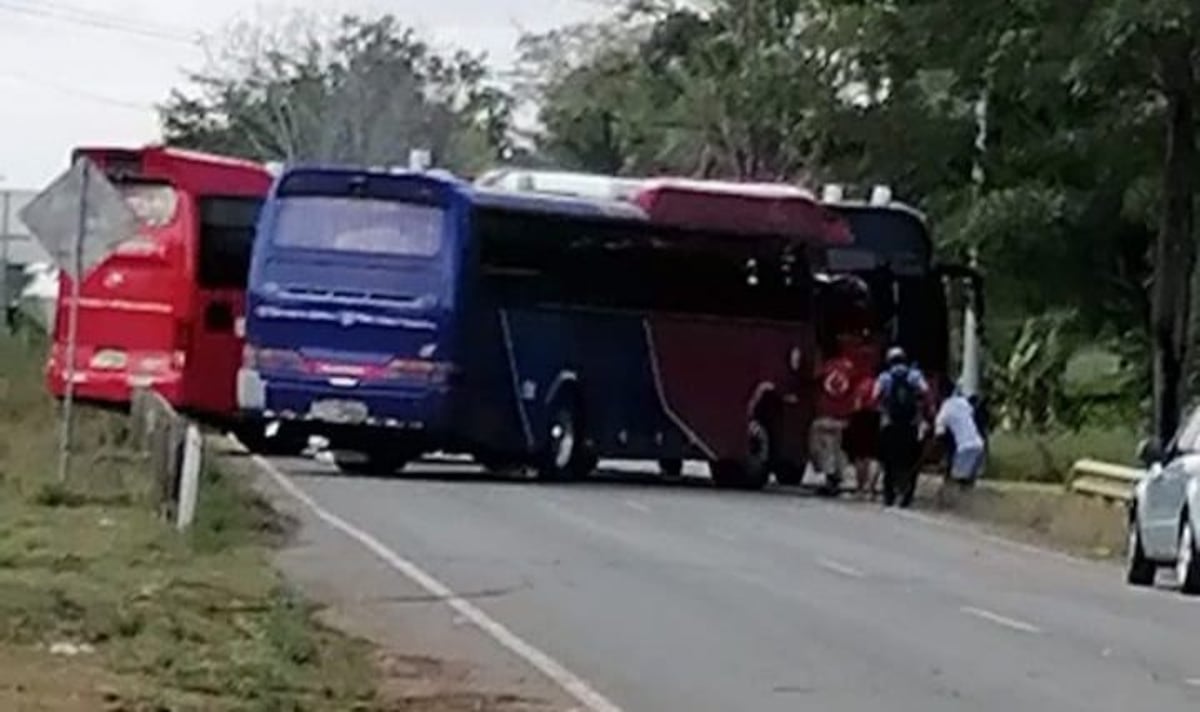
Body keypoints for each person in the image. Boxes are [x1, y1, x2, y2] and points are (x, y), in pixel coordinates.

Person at [873, 346, 929, 508]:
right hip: (911, 425)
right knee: (911, 460)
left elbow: (874, 396)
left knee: (888, 461)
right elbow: (926, 393)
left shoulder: (885, 377)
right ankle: (907, 495)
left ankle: (888, 496)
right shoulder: (915, 375)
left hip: (890, 425)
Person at [936, 385, 986, 488]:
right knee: (966, 481)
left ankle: (953, 495)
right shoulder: (963, 403)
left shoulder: (946, 407)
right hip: (979, 445)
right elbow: (970, 413)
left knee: (955, 479)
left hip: (964, 448)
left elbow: (939, 427)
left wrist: (939, 434)